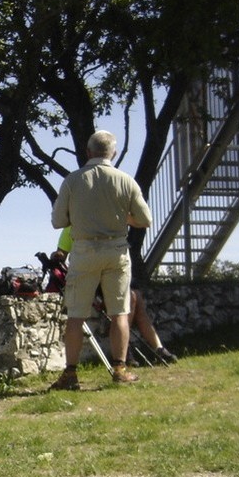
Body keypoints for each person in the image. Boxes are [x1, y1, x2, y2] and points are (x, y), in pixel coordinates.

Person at [49, 131, 153, 389]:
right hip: (116, 250)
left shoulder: (72, 181)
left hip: (83, 250)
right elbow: (144, 220)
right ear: (113, 154)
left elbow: (58, 221)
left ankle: (70, 374)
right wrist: (123, 218)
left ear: (88, 152)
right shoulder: (125, 180)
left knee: (75, 315)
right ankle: (119, 369)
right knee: (119, 311)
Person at [54, 226, 177, 365]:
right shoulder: (73, 227)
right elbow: (61, 253)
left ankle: (157, 348)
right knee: (131, 298)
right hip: (92, 278)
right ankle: (125, 352)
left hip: (109, 274)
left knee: (137, 299)